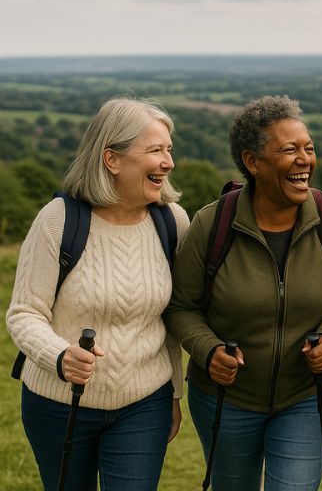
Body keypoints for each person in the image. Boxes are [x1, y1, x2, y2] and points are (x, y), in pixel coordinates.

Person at [163, 95, 322, 490]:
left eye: (309, 148)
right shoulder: (212, 223)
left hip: (307, 395)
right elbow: (182, 307)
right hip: (225, 400)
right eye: (289, 150)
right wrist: (209, 350)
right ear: (252, 162)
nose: (305, 159)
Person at [6, 97, 190, 490]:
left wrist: (174, 392)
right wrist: (59, 356)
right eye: (155, 150)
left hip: (145, 404)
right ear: (112, 159)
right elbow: (23, 313)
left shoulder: (173, 222)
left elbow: (173, 317)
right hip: (59, 404)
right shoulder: (59, 220)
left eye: (168, 150)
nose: (168, 162)